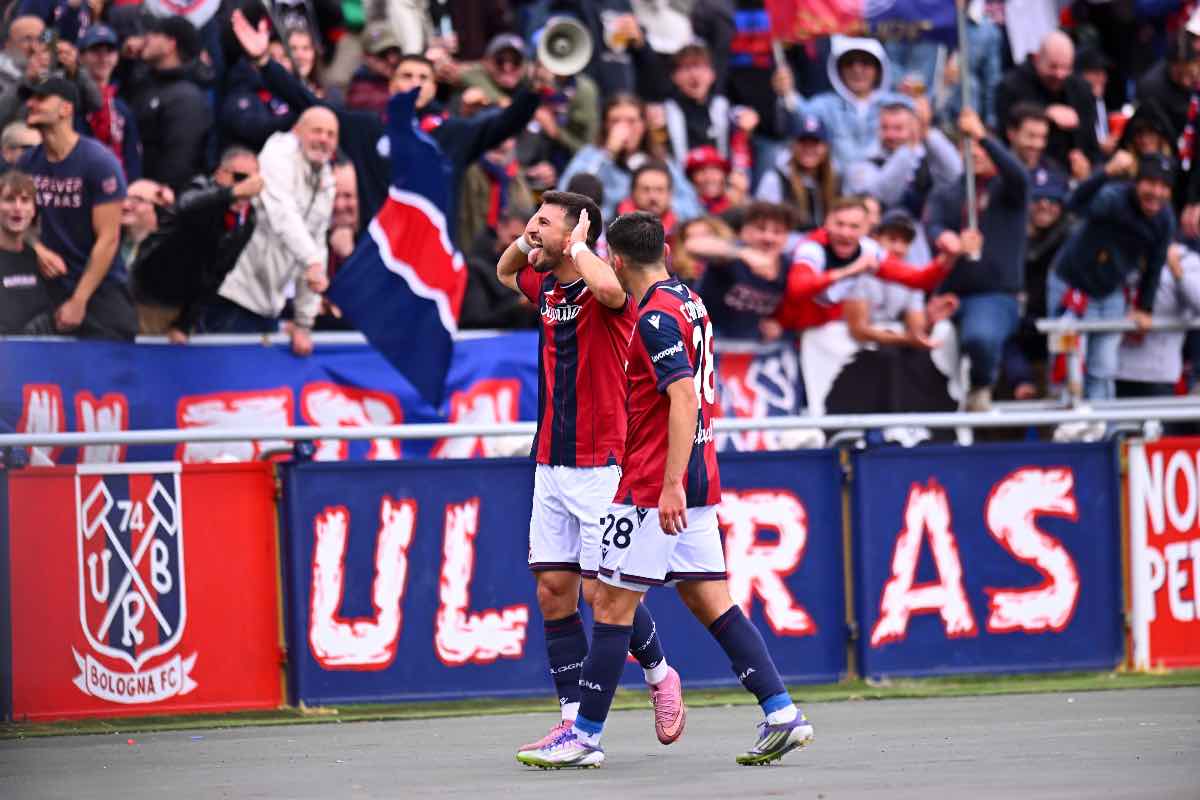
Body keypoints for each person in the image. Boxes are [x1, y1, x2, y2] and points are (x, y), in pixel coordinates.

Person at [516, 210, 814, 769]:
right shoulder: (691, 301)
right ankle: (781, 712)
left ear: (618, 261)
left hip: (657, 483)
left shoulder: (652, 316)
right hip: (701, 474)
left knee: (609, 603)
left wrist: (669, 484)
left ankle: (583, 736)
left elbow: (682, 397)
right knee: (710, 600)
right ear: (668, 252)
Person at [495, 192, 686, 761]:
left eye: (544, 222)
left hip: (602, 465)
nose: (532, 229)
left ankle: (659, 676)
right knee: (555, 591)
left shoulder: (608, 290)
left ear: (578, 235)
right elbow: (506, 269)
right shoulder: (547, 286)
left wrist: (577, 244)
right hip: (550, 462)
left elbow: (608, 289)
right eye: (533, 218)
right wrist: (533, 240)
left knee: (607, 592)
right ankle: (573, 726)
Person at [233, 10, 541, 235]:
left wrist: (534, 90)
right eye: (406, 76)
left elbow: (506, 123)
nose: (415, 83)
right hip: (380, 260)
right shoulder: (367, 129)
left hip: (434, 265)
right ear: (391, 85)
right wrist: (265, 63)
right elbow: (310, 106)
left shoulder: (454, 134)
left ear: (435, 87)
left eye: (424, 77)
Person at [205, 107, 337, 356]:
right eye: (317, 131)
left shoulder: (326, 179)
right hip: (233, 294)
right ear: (297, 131)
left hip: (269, 306)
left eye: (331, 134)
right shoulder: (278, 152)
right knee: (222, 386)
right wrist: (312, 261)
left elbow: (317, 244)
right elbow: (283, 215)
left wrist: (303, 322)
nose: (324, 139)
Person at [1048, 151, 1175, 401]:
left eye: (1164, 187)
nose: (1156, 192)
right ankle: (1067, 432)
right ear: (1137, 182)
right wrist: (1106, 172)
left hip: (1110, 291)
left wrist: (1144, 307)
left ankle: (1103, 432)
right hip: (1071, 284)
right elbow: (1073, 203)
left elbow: (1155, 264)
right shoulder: (1112, 198)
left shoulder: (1164, 219)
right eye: (1150, 183)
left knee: (1103, 368)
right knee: (1065, 365)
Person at [925, 107, 1029, 412]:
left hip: (994, 295)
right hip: (948, 292)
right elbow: (933, 224)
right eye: (969, 146)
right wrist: (946, 239)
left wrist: (981, 134)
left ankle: (981, 386)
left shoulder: (1009, 191)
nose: (977, 153)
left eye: (983, 148)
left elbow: (1019, 176)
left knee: (980, 337)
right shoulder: (947, 192)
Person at [18, 76, 135, 340]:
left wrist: (79, 300)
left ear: (66, 109)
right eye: (30, 98)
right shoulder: (27, 163)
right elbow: (10, 222)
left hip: (100, 287)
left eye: (41, 98)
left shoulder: (98, 161)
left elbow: (109, 238)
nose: (31, 104)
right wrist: (38, 249)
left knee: (110, 374)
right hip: (50, 286)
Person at [130, 147, 262, 340]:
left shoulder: (247, 219)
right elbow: (186, 205)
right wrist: (232, 192)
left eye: (254, 181)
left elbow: (217, 273)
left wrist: (185, 323)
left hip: (182, 304)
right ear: (220, 174)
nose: (248, 187)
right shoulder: (201, 189)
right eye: (240, 177)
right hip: (148, 295)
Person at [558, 92, 702, 223]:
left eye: (631, 121)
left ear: (644, 125)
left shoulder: (659, 160)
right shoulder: (590, 155)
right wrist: (607, 154)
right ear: (605, 125)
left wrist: (658, 205)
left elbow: (692, 208)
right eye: (615, 121)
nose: (623, 128)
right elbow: (567, 198)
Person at [995, 30, 1100, 181]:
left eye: (1065, 68)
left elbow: (1091, 144)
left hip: (1073, 173)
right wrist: (1045, 113)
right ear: (1038, 59)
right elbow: (1004, 136)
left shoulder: (1081, 89)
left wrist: (1086, 165)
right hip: (1026, 172)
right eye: (1053, 67)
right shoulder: (1012, 86)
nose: (1059, 74)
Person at [123, 14, 212, 193]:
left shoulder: (186, 97)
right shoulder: (146, 82)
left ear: (171, 44)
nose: (146, 39)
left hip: (154, 201)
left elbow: (178, 163)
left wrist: (157, 195)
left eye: (155, 34)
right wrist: (125, 62)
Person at [793, 35, 907, 172]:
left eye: (865, 63)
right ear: (838, 69)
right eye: (849, 63)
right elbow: (799, 118)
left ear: (878, 69)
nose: (857, 70)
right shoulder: (825, 105)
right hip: (837, 189)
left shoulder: (898, 104)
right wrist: (787, 93)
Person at [1116, 243, 1200, 401]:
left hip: (1159, 374)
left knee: (1156, 425)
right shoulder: (1122, 253)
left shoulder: (1187, 259)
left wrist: (1176, 270)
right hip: (1118, 369)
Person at [754, 113, 838, 233]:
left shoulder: (834, 180)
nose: (809, 149)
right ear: (793, 145)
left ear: (826, 147)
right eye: (803, 142)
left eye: (815, 143)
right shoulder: (775, 178)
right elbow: (765, 225)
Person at [78, 24, 142, 180]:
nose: (103, 57)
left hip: (118, 188)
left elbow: (132, 158)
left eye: (110, 51)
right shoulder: (71, 101)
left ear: (117, 57)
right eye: (95, 51)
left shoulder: (121, 107)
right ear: (80, 57)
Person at [0, 170, 56, 334]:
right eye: (9, 200)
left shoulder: (42, 261)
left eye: (25, 200)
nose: (18, 208)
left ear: (33, 210)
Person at [617, 161, 677, 238]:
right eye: (646, 189)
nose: (653, 197)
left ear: (670, 194)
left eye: (660, 190)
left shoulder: (681, 232)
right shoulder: (614, 230)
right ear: (633, 192)